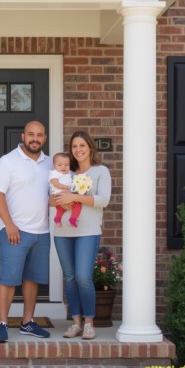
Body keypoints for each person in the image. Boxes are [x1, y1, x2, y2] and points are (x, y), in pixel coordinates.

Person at [0, 121, 52, 343]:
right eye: (31, 134)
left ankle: (27, 322)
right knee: (8, 279)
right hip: (14, 231)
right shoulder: (7, 161)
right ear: (23, 136)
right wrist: (9, 224)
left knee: (33, 279)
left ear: (44, 138)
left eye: (39, 135)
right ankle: (3, 324)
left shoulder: (51, 163)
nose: (35, 138)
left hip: (42, 232)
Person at [50, 130, 111, 340]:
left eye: (82, 145)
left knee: (83, 277)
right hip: (62, 232)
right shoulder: (66, 172)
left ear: (90, 147)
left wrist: (75, 197)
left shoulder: (100, 171)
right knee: (69, 278)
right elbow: (50, 199)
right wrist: (61, 198)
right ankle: (76, 322)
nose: (78, 150)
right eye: (74, 146)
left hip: (88, 231)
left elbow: (103, 200)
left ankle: (89, 324)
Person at [49, 152, 83, 228]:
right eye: (60, 165)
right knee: (72, 206)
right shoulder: (54, 173)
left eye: (66, 165)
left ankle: (70, 219)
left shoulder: (69, 174)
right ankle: (63, 218)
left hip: (67, 194)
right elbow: (55, 183)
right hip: (58, 194)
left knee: (72, 206)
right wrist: (65, 187)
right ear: (54, 166)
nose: (63, 167)